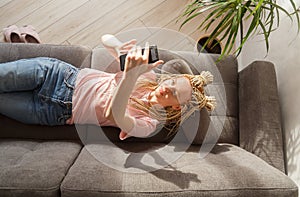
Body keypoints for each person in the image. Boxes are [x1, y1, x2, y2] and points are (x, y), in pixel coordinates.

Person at [0, 35, 216, 140]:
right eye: (170, 82)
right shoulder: (146, 74)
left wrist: (130, 78)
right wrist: (116, 46)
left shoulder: (149, 124)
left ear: (177, 107)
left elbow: (115, 114)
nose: (167, 88)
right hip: (57, 76)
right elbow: (105, 39)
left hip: (52, 112)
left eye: (175, 93)